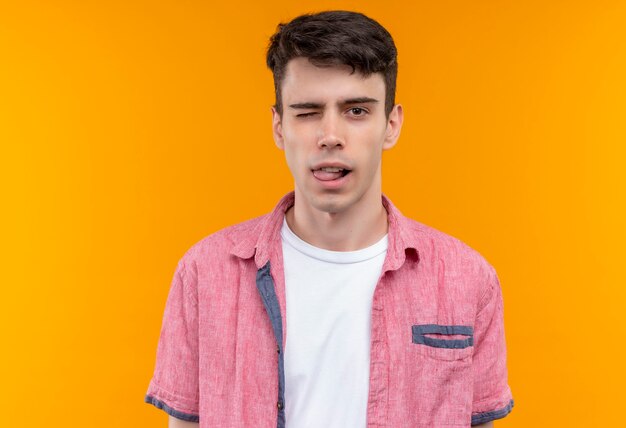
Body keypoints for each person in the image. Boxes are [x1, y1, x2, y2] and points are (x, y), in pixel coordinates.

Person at [145, 10, 513, 428]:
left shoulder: (467, 279)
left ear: (391, 125)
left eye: (356, 111)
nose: (331, 134)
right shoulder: (205, 273)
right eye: (307, 112)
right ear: (279, 126)